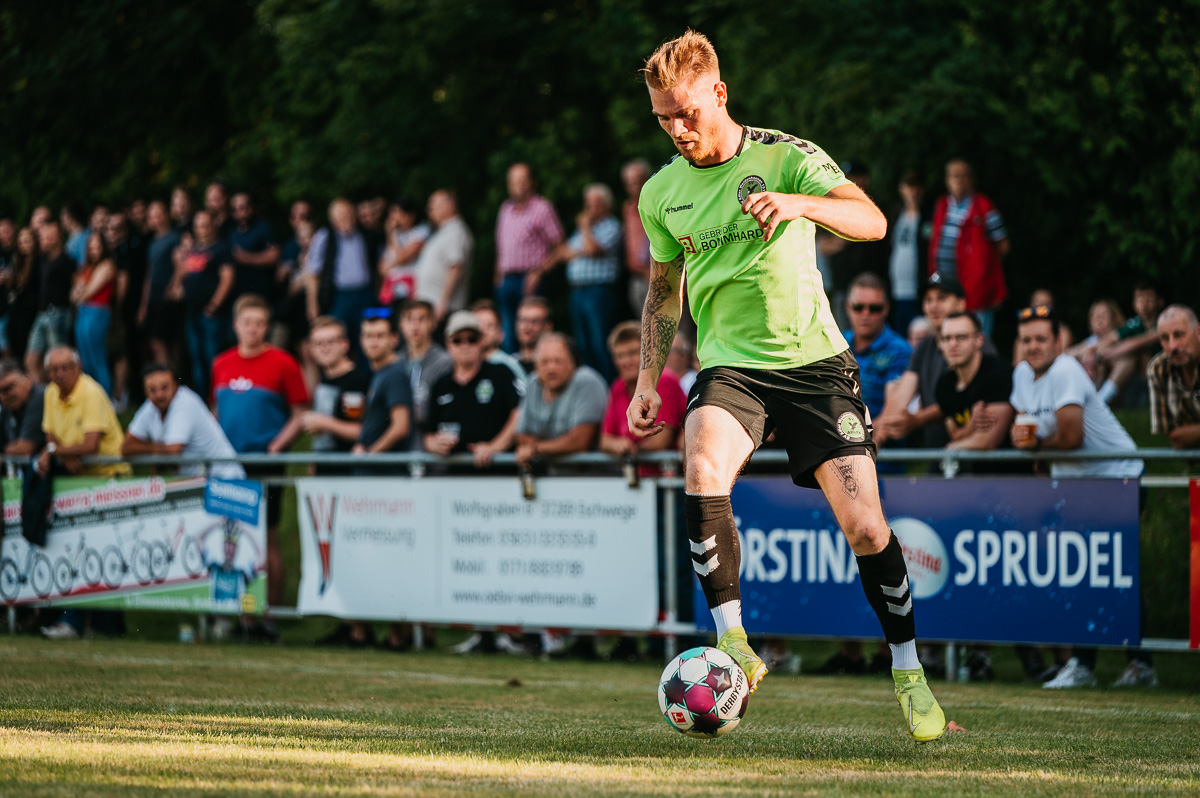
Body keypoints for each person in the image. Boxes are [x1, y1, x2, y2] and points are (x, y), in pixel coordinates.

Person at [626, 31, 945, 741]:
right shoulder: (660, 194)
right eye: (662, 118)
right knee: (700, 464)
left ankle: (908, 671)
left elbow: (872, 220)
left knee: (867, 528)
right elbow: (663, 292)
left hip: (816, 367)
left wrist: (803, 205)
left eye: (686, 113)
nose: (676, 129)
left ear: (719, 93)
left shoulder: (786, 156)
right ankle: (734, 641)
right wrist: (648, 379)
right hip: (731, 368)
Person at [1009, 304, 1145, 689]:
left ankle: (1126, 664)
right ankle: (1104, 664)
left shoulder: (1066, 369)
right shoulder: (1022, 374)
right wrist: (1024, 442)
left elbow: (1070, 437)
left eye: (1041, 339)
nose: (1033, 347)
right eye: (1027, 340)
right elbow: (1026, 431)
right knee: (1091, 574)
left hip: (1118, 478)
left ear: (1058, 342)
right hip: (1082, 488)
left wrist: (1037, 447)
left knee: (1111, 574)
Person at [212, 295, 310, 618]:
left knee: (267, 538)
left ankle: (272, 614)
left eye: (259, 323)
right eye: (247, 322)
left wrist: (276, 446)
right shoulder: (221, 363)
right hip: (228, 465)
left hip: (265, 463)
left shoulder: (284, 363)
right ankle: (233, 612)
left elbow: (300, 413)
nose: (252, 329)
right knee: (228, 537)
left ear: (267, 327)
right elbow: (216, 410)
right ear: (235, 325)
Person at [877, 273, 996, 450]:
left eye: (942, 298)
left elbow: (965, 399)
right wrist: (876, 435)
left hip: (974, 455)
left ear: (961, 303)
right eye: (928, 299)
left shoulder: (978, 344)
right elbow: (901, 397)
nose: (933, 306)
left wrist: (917, 420)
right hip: (936, 453)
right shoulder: (924, 346)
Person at [533, 184, 623, 381]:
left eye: (595, 204)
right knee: (583, 344)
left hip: (599, 291)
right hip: (578, 291)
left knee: (600, 343)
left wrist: (585, 229)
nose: (590, 209)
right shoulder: (582, 231)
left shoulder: (611, 226)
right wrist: (582, 249)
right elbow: (564, 253)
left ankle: (607, 385)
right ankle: (591, 383)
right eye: (588, 204)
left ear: (607, 205)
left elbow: (594, 250)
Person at [426, 310, 522, 468]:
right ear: (447, 344)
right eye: (457, 340)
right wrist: (435, 444)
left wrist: (494, 447)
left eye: (472, 339)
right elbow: (428, 434)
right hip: (454, 474)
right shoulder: (441, 384)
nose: (465, 345)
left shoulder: (501, 374)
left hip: (498, 471)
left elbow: (519, 415)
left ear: (482, 341)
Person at [928, 159, 1009, 337]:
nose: (959, 180)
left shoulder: (984, 206)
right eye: (954, 176)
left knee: (976, 334)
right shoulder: (942, 205)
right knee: (949, 334)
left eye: (963, 176)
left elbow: (1003, 245)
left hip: (976, 288)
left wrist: (982, 269)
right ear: (947, 180)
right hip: (945, 286)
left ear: (972, 180)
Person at [123, 363, 246, 480]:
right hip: (198, 481)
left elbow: (173, 451)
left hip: (226, 479)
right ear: (145, 391)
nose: (159, 395)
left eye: (164, 387)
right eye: (152, 390)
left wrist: (153, 452)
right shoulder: (150, 407)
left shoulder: (185, 402)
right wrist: (158, 450)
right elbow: (126, 448)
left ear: (176, 386)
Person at [494, 163, 564, 353]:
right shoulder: (505, 209)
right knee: (508, 334)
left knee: (533, 332)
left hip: (531, 279)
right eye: (512, 181)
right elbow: (501, 247)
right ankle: (514, 368)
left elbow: (560, 248)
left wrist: (538, 272)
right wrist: (498, 277)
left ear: (532, 183)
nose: (516, 185)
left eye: (521, 180)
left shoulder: (542, 208)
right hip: (507, 279)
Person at [842, 273, 911, 467]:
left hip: (884, 460)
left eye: (874, 308)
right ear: (848, 307)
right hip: (836, 449)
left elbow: (893, 411)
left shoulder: (900, 350)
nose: (865, 314)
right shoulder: (835, 344)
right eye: (858, 307)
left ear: (886, 309)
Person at [305, 198, 383, 358]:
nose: (345, 218)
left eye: (348, 214)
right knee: (337, 338)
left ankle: (367, 372)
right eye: (340, 215)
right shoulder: (325, 236)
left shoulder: (365, 234)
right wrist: (312, 303)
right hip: (339, 296)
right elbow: (312, 273)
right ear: (332, 219)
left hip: (365, 294)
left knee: (368, 336)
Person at [37, 346, 130, 479]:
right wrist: (65, 455)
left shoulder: (91, 393)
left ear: (78, 366)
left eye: (66, 367)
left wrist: (54, 450)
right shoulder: (50, 391)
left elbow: (90, 446)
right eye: (54, 369)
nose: (60, 374)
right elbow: (50, 436)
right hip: (81, 476)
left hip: (110, 474)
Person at [172, 210, 235, 397]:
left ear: (213, 226)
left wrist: (214, 305)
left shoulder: (221, 249)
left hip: (211, 314)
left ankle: (217, 397)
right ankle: (201, 398)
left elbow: (227, 278)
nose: (202, 229)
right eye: (199, 225)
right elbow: (181, 276)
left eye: (206, 225)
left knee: (212, 357)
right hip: (191, 312)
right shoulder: (192, 251)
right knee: (196, 358)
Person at [300, 316, 370, 462]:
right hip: (324, 467)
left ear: (345, 344)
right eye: (318, 343)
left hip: (346, 469)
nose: (325, 348)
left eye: (331, 341)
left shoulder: (355, 381)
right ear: (311, 349)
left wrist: (324, 423)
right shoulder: (325, 379)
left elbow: (359, 430)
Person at [1093, 280, 1165, 407]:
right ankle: (1098, 396)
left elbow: (1135, 343)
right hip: (1137, 380)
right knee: (1109, 355)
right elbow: (1110, 338)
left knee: (1131, 353)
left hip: (1159, 379)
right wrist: (1099, 352)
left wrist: (1104, 354)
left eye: (1148, 297)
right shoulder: (1134, 324)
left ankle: (1101, 399)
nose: (1144, 302)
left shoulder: (1164, 323)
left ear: (1160, 301)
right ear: (1134, 303)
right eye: (1140, 297)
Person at [26, 221, 76, 383]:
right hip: (42, 313)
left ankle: (63, 391)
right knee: (31, 359)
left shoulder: (67, 260)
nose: (47, 238)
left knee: (59, 361)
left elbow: (76, 284)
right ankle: (43, 394)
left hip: (58, 313)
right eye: (44, 235)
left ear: (59, 237)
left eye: (50, 235)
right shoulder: (42, 259)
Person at [412, 190, 472, 325]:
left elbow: (456, 267)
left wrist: (443, 302)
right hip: (433, 306)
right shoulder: (444, 231)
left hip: (443, 309)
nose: (430, 209)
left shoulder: (456, 232)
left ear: (451, 205)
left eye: (435, 205)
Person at [396, 300, 453, 439]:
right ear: (401, 325)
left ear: (433, 323)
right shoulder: (395, 362)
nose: (415, 326)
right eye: (409, 319)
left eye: (421, 319)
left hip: (432, 438)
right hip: (400, 441)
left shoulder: (445, 362)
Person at [70, 232, 117, 396]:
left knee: (98, 359)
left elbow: (87, 293)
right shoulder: (87, 268)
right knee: (86, 360)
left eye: (97, 246)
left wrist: (81, 286)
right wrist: (81, 289)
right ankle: (92, 399)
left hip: (97, 312)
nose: (94, 250)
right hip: (83, 313)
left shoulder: (107, 265)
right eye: (91, 247)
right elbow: (73, 296)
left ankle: (106, 398)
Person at [137, 201, 184, 367]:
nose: (154, 219)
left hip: (168, 298)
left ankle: (171, 376)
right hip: (154, 299)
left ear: (166, 215)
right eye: (151, 216)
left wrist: (171, 287)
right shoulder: (152, 243)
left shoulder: (175, 238)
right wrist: (143, 305)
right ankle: (167, 374)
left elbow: (181, 265)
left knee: (167, 342)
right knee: (156, 342)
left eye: (157, 214)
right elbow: (149, 275)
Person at [1148, 305, 1200, 450]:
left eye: (1179, 335)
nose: (1172, 346)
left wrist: (1189, 433)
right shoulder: (1159, 368)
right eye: (1165, 338)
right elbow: (1174, 437)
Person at [887, 170, 928, 335]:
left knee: (918, 336)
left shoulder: (928, 215)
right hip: (896, 291)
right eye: (908, 186)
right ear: (901, 189)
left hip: (917, 291)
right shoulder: (897, 214)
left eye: (916, 186)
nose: (912, 191)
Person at [229, 192, 280, 307]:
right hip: (237, 291)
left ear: (251, 207)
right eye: (234, 209)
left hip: (260, 289)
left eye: (243, 207)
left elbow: (274, 256)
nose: (239, 212)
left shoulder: (264, 227)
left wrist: (244, 258)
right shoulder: (231, 231)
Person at [378, 198, 430, 307]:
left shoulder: (420, 232)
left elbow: (402, 258)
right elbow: (383, 268)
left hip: (410, 288)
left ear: (410, 215)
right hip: (393, 289)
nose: (393, 217)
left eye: (397, 212)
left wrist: (392, 234)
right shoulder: (397, 234)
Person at [622, 158, 654, 314]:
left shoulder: (656, 203)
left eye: (638, 181)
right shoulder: (628, 208)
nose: (634, 187)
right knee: (643, 324)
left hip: (659, 273)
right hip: (637, 277)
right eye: (630, 183)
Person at [469, 299, 526, 385]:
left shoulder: (508, 365)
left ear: (501, 334)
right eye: (478, 325)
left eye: (489, 326)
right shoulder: (465, 365)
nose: (483, 330)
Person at [5, 227, 39, 363]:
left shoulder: (38, 263)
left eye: (27, 241)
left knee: (27, 354)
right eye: (21, 242)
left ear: (34, 242)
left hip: (29, 315)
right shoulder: (18, 263)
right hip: (14, 316)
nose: (24, 245)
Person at [0, 359, 46, 457]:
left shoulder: (40, 397)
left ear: (27, 379)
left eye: (9, 388)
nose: (4, 396)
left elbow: (25, 448)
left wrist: (5, 451)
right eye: (0, 392)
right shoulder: (7, 407)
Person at [514, 296, 552, 375]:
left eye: (534, 321)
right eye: (523, 320)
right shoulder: (507, 364)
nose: (527, 326)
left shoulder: (553, 366)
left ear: (548, 326)